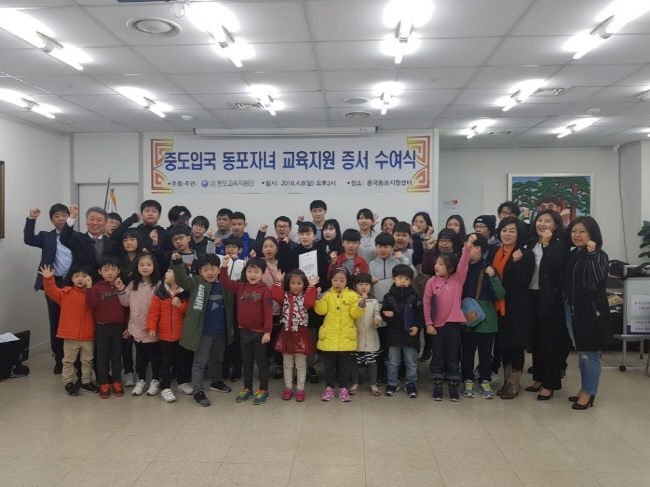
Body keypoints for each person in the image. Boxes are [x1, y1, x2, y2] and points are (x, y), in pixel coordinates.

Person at [173, 252, 235, 407]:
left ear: (218, 270)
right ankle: (198, 391)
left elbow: (239, 287)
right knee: (200, 362)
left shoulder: (225, 284)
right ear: (200, 271)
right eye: (205, 269)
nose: (210, 272)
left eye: (213, 269)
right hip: (202, 332)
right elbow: (181, 279)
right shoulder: (195, 282)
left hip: (221, 331)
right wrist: (178, 264)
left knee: (218, 359)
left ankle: (216, 381)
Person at [562, 216, 610, 410]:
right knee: (581, 351)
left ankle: (589, 393)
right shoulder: (574, 254)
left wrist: (592, 254)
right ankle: (584, 389)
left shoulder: (599, 255)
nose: (577, 235)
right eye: (574, 231)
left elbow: (598, 278)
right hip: (572, 309)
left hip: (590, 311)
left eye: (582, 231)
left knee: (590, 352)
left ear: (592, 234)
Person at [524, 210, 570, 400]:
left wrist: (546, 244)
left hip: (550, 298)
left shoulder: (560, 244)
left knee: (550, 342)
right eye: (539, 220)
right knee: (537, 341)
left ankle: (550, 384)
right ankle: (538, 378)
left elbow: (555, 264)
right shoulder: (531, 242)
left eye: (547, 221)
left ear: (556, 226)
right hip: (532, 296)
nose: (542, 224)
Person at [488, 217, 535, 400]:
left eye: (511, 231)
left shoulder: (525, 254)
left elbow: (525, 281)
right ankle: (506, 381)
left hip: (517, 307)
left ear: (519, 234)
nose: (507, 234)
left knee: (515, 346)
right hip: (498, 306)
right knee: (503, 345)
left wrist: (517, 262)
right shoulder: (495, 251)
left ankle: (514, 383)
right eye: (504, 230)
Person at [423, 235, 474, 401]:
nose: (436, 266)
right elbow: (426, 304)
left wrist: (468, 246)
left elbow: (464, 262)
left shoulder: (457, 279)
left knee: (452, 356)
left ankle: (453, 386)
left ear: (450, 268)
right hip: (436, 326)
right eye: (436, 263)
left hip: (453, 325)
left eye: (441, 264)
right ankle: (437, 385)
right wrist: (428, 324)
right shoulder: (431, 282)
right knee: (438, 356)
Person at [23, 204, 72, 374]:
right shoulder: (46, 237)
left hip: (74, 284)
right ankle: (59, 359)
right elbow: (29, 239)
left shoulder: (77, 236)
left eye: (64, 215)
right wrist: (32, 219)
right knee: (56, 321)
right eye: (56, 216)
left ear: (69, 217)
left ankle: (75, 359)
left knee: (74, 321)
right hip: (54, 283)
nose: (61, 219)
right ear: (51, 220)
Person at [220, 255, 274, 405]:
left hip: (260, 333)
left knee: (261, 363)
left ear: (263, 273)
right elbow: (225, 282)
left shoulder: (265, 290)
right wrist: (224, 267)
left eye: (256, 272)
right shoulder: (241, 287)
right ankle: (247, 388)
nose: (252, 275)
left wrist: (267, 332)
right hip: (243, 332)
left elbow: (268, 312)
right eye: (249, 271)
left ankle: (263, 390)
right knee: (247, 362)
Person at [40, 263, 98, 395]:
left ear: (90, 278)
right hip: (70, 336)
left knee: (87, 361)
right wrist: (48, 279)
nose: (80, 279)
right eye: (76, 276)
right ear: (71, 278)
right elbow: (52, 291)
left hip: (88, 335)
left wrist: (89, 288)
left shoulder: (93, 294)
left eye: (84, 276)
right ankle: (68, 382)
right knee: (68, 361)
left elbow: (93, 305)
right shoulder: (66, 293)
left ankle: (86, 382)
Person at [460, 234, 505, 400]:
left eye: (468, 246)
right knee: (467, 352)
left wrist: (493, 277)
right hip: (466, 317)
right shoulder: (461, 268)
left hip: (487, 319)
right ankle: (467, 380)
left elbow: (499, 294)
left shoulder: (488, 269)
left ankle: (485, 380)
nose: (464, 249)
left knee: (486, 354)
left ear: (478, 248)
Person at [314, 268, 366, 402]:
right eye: (335, 280)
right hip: (329, 336)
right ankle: (329, 388)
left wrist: (361, 304)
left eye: (342, 280)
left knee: (345, 366)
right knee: (329, 366)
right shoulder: (327, 295)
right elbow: (321, 311)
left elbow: (355, 314)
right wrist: (318, 298)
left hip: (345, 337)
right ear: (331, 280)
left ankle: (343, 388)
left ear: (347, 281)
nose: (338, 283)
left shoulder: (352, 295)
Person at [116, 253, 163, 397]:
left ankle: (156, 380)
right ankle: (141, 380)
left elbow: (161, 307)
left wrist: (153, 325)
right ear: (136, 267)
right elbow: (125, 302)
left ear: (154, 266)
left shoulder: (158, 285)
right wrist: (120, 289)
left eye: (149, 265)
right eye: (142, 265)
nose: (145, 268)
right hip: (136, 328)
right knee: (140, 357)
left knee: (154, 357)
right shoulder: (132, 284)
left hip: (152, 328)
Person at [146, 268, 193, 403]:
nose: (166, 273)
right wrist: (151, 327)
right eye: (166, 271)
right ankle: (165, 387)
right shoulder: (160, 293)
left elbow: (190, 312)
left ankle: (182, 382)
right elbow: (153, 312)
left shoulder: (186, 294)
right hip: (165, 336)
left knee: (182, 361)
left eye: (170, 271)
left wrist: (180, 305)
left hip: (182, 335)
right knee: (165, 362)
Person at [271, 269, 318, 402]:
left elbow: (310, 303)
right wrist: (278, 281)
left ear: (304, 284)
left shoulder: (306, 296)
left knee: (301, 364)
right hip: (286, 334)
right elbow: (275, 294)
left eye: (299, 283)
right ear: (288, 283)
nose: (296, 286)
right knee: (287, 364)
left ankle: (300, 389)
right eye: (293, 283)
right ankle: (288, 388)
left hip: (301, 335)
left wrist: (311, 287)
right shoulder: (285, 296)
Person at [86, 257, 126, 399]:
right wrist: (89, 288)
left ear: (118, 271)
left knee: (116, 356)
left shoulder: (121, 286)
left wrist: (121, 289)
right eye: (106, 270)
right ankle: (104, 383)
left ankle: (117, 382)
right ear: (100, 271)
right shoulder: (96, 288)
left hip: (118, 327)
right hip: (102, 327)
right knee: (102, 358)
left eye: (113, 269)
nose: (110, 273)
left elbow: (127, 306)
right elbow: (90, 304)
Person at [381, 264, 423, 398]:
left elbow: (420, 314)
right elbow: (383, 312)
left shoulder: (415, 296)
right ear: (393, 279)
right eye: (400, 278)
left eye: (406, 279)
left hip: (410, 335)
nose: (403, 281)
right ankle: (392, 383)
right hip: (393, 335)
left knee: (411, 363)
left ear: (411, 281)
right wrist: (386, 315)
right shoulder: (388, 296)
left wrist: (417, 327)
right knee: (393, 362)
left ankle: (411, 384)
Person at [60, 205, 120, 284]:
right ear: (86, 221)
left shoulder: (113, 244)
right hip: (81, 285)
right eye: (91, 219)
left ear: (105, 223)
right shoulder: (77, 238)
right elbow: (64, 239)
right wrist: (72, 216)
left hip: (104, 285)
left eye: (99, 220)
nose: (95, 223)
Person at [350, 272, 382, 396]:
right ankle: (354, 383)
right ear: (354, 286)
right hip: (355, 337)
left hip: (370, 335)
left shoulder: (374, 300)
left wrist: (377, 320)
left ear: (371, 286)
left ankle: (373, 384)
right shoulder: (352, 299)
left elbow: (377, 313)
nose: (363, 287)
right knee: (354, 361)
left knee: (372, 362)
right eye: (360, 284)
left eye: (367, 284)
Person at [259, 236, 283, 379]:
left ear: (277, 249)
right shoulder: (258, 265)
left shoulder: (282, 264)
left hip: (279, 306)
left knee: (278, 336)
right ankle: (265, 364)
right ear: (262, 249)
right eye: (265, 246)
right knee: (264, 338)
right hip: (263, 307)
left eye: (272, 246)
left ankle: (279, 365)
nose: (268, 249)